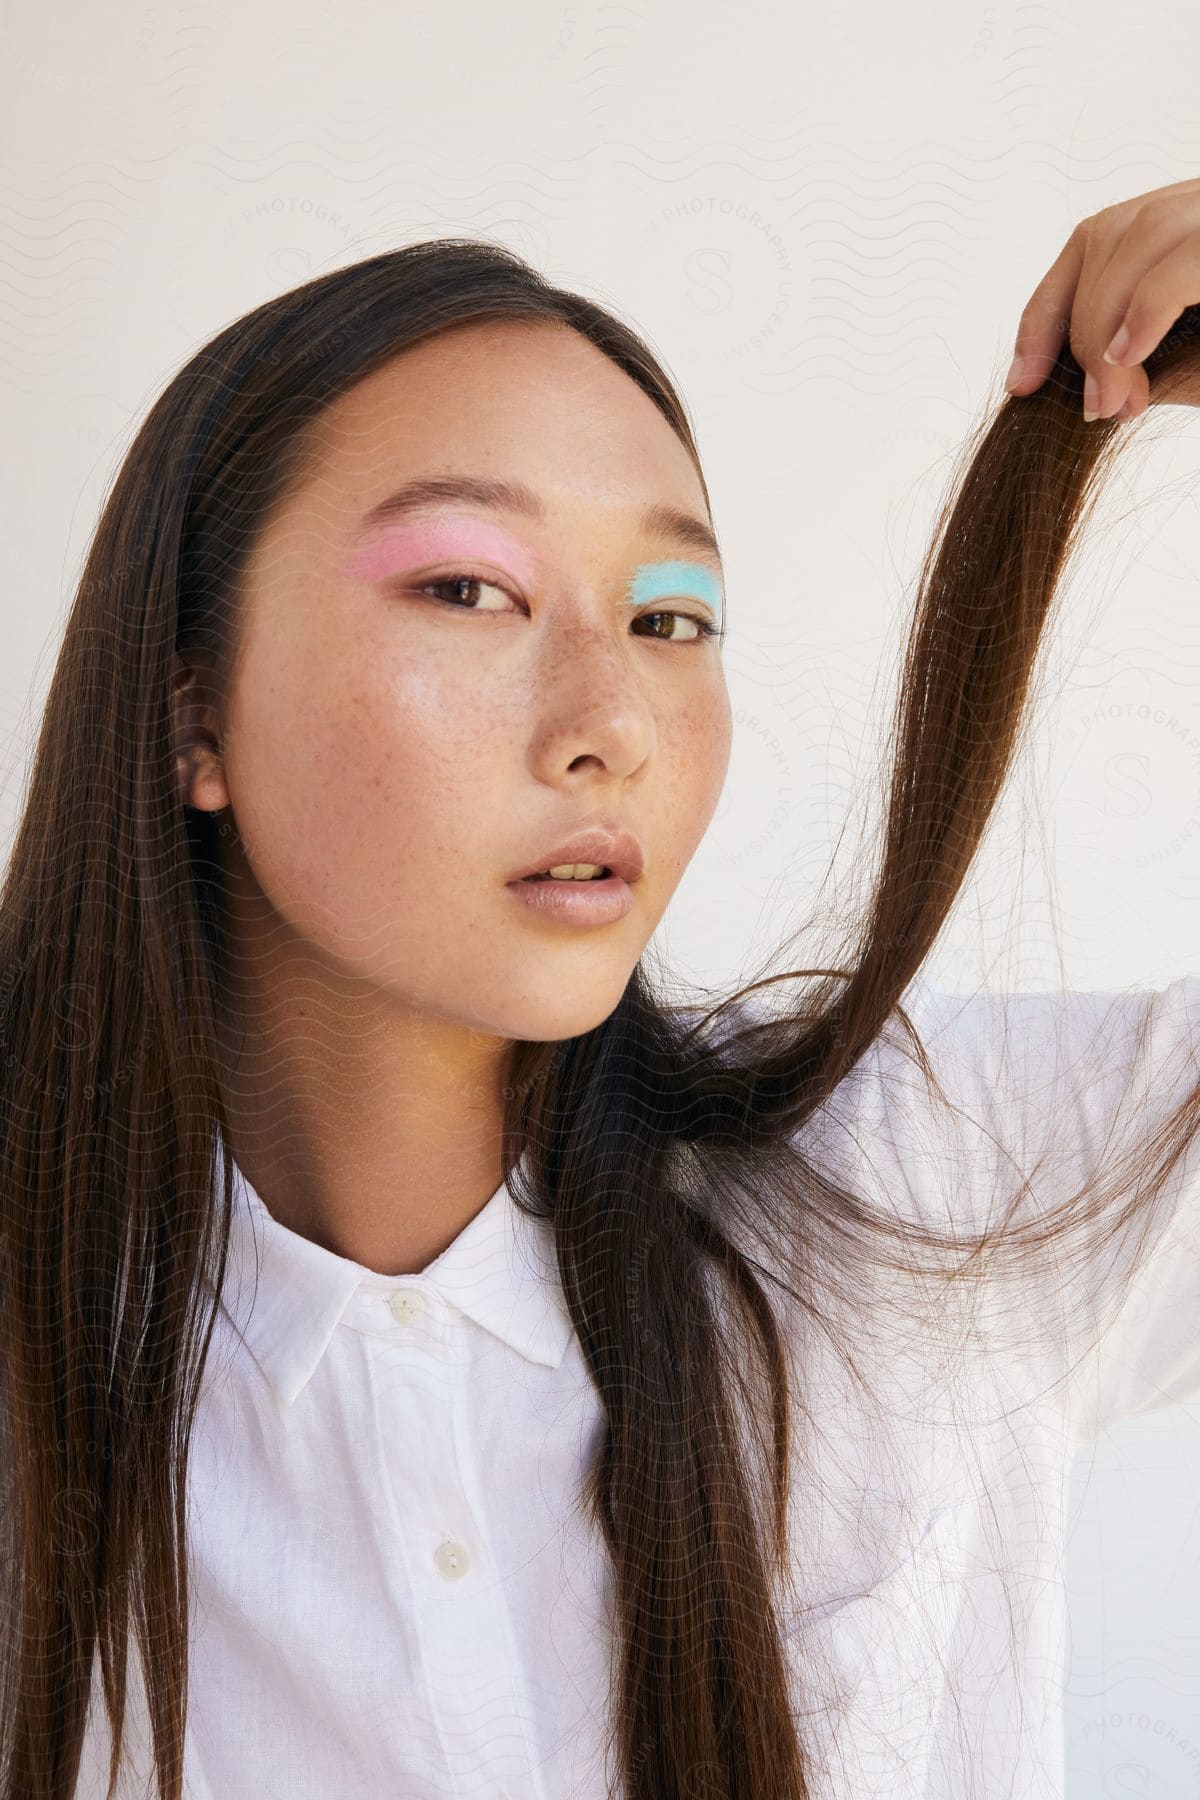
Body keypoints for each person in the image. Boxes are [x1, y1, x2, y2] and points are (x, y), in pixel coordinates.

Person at [4, 183, 1200, 1800]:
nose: (611, 721)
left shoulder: (933, 1178)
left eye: (669, 617)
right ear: (190, 712)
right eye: (469, 591)